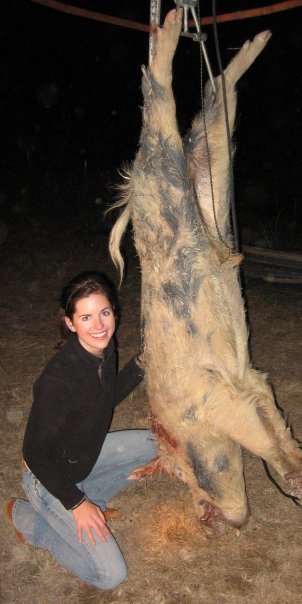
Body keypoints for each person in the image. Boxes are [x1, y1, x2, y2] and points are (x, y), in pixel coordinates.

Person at [4, 271, 156, 590]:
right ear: (71, 323)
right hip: (47, 478)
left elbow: (104, 397)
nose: (99, 325)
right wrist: (76, 504)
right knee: (111, 575)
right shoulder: (58, 380)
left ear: (114, 311)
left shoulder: (104, 348)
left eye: (104, 312)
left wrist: (141, 364)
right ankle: (33, 522)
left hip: (81, 461)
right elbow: (35, 453)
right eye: (86, 317)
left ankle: (90, 500)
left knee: (156, 444)